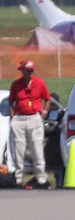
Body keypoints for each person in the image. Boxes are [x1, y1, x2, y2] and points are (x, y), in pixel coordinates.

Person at [8, 60, 51, 189]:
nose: (30, 73)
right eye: (27, 71)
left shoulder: (39, 83)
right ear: (22, 71)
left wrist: (43, 113)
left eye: (31, 70)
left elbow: (47, 99)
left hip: (34, 118)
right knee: (19, 150)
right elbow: (11, 102)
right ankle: (18, 179)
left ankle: (41, 179)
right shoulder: (16, 85)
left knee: (37, 149)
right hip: (20, 118)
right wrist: (13, 118)